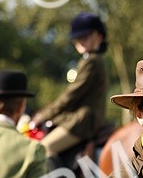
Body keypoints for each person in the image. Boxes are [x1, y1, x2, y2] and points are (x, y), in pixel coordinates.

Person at [33, 12, 109, 158]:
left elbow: (71, 95)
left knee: (43, 149)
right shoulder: (90, 60)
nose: (80, 41)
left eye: (85, 36)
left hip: (82, 121)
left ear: (98, 36)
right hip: (80, 118)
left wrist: (44, 115)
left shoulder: (92, 62)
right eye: (77, 38)